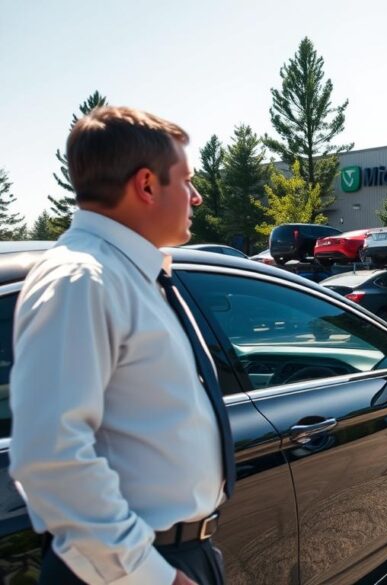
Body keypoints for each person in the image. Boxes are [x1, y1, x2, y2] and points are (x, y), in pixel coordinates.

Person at [10, 106, 234, 585]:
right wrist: (151, 575)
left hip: (173, 557)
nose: (195, 197)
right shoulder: (81, 280)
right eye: (187, 181)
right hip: (130, 570)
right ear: (147, 185)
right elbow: (51, 456)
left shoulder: (130, 274)